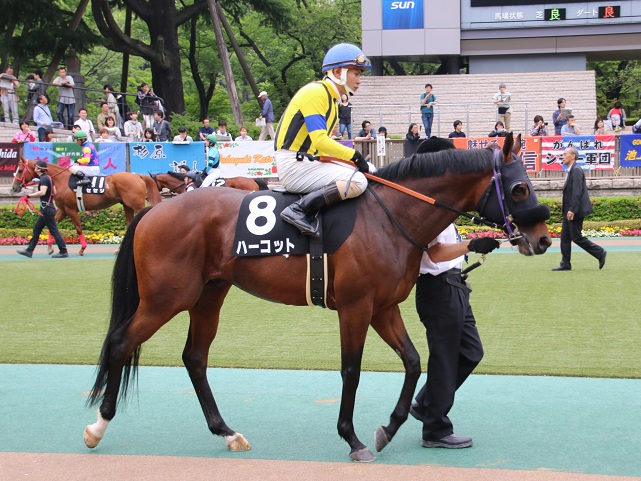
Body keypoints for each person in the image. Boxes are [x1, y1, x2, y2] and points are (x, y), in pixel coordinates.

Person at [275, 42, 371, 236]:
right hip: (294, 165)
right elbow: (319, 140)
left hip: (307, 162)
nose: (359, 80)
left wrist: (348, 160)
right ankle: (299, 210)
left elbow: (320, 146)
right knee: (358, 181)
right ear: (338, 72)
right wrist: (354, 156)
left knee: (372, 171)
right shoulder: (316, 92)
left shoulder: (332, 100)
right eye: (356, 73)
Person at [552, 146, 607, 272]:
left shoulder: (576, 170)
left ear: (573, 156)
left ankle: (599, 252)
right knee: (565, 238)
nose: (562, 156)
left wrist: (572, 209)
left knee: (576, 237)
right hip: (568, 210)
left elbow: (577, 191)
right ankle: (565, 263)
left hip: (574, 211)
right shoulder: (571, 170)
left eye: (565, 154)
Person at [16, 160, 69, 259]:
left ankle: (63, 251)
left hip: (46, 209)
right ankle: (29, 250)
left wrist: (29, 195)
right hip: (47, 208)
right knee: (37, 229)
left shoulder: (43, 179)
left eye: (36, 167)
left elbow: (42, 192)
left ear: (40, 169)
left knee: (54, 230)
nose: (35, 168)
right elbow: (54, 192)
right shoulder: (49, 178)